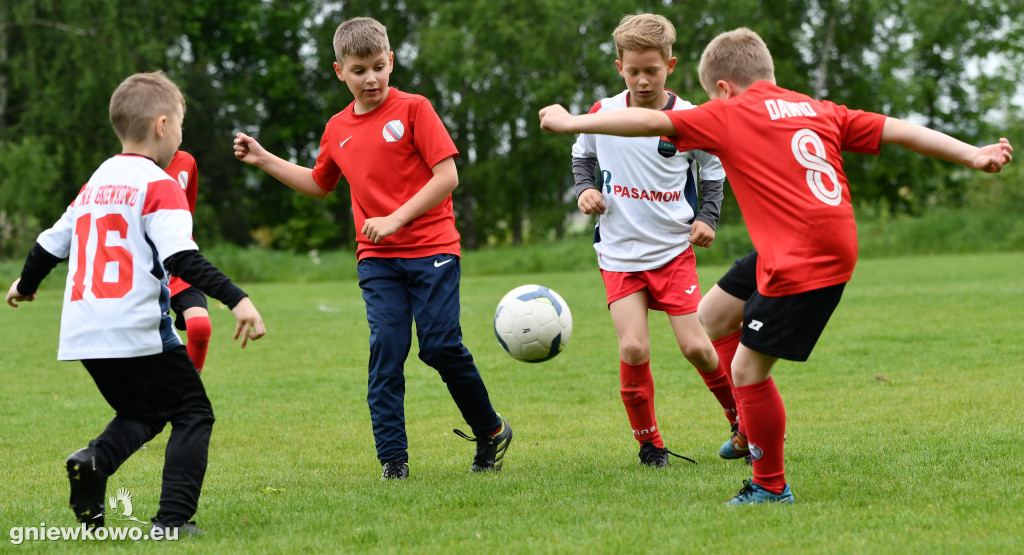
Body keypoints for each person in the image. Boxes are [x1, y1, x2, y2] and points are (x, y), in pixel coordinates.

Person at [539, 27, 1013, 504]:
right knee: (713, 315)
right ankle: (746, 427)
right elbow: (898, 129)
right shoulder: (815, 108)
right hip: (808, 244)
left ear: (722, 88)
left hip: (804, 258)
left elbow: (648, 122)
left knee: (747, 370)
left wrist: (572, 122)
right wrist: (972, 154)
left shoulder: (729, 113)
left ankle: (770, 485)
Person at [232, 16, 511, 481]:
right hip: (377, 258)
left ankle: (490, 430)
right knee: (387, 348)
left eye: (379, 67)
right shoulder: (336, 127)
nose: (371, 79)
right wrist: (264, 159)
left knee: (440, 347)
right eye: (359, 70)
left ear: (391, 62)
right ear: (339, 71)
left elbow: (447, 177)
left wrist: (396, 218)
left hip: (433, 247)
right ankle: (393, 462)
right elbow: (319, 183)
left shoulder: (415, 109)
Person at [5, 71, 267, 533]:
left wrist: (25, 285)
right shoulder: (160, 184)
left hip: (84, 332)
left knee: (144, 411)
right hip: (135, 325)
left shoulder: (96, 182)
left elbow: (49, 244)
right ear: (163, 125)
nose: (181, 134)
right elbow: (182, 258)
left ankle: (93, 462)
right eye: (181, 124)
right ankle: (173, 522)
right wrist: (237, 298)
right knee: (193, 412)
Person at [570, 14, 737, 467]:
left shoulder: (689, 118)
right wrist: (585, 190)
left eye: (652, 70)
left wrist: (707, 217)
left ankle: (740, 420)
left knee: (697, 347)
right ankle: (650, 444)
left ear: (670, 65)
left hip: (672, 252)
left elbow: (713, 171)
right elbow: (582, 155)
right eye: (633, 71)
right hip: (619, 254)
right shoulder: (603, 113)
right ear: (619, 68)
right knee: (633, 347)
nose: (642, 80)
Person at [165, 150, 213, 372]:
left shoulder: (187, 161)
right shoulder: (130, 166)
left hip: (181, 264)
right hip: (143, 270)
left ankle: (190, 389)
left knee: (200, 327)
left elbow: (186, 212)